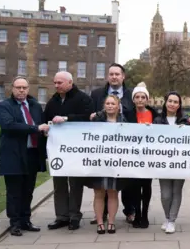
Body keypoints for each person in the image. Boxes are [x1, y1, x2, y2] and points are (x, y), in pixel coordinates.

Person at [0, 77, 50, 236]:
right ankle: (14, 223)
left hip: (32, 153)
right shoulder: (3, 106)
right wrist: (35, 128)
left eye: (24, 87)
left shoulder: (34, 106)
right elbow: (9, 125)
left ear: (28, 89)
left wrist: (44, 131)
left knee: (28, 189)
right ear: (12, 88)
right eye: (18, 87)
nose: (21, 90)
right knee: (14, 190)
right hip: (13, 154)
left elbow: (41, 125)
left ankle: (26, 220)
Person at [43, 71, 95, 231]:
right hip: (58, 149)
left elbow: (88, 119)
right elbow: (46, 118)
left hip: (76, 149)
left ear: (70, 82)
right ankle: (61, 216)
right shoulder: (53, 101)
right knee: (59, 183)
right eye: (55, 83)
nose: (56, 85)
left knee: (75, 183)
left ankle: (74, 216)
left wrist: (67, 119)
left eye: (60, 82)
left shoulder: (83, 99)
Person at [89, 63, 136, 226]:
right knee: (103, 185)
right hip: (102, 149)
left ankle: (129, 210)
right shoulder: (96, 95)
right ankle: (102, 215)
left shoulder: (132, 95)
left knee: (124, 184)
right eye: (111, 74)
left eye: (117, 74)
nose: (114, 77)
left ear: (123, 76)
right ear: (107, 76)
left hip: (125, 148)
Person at [153, 91, 190, 234]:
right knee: (165, 194)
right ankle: (167, 217)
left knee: (176, 191)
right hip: (163, 163)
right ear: (165, 102)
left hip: (180, 162)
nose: (172, 104)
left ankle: (171, 220)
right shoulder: (157, 120)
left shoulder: (186, 120)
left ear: (179, 105)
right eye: (170, 101)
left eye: (176, 102)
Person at [90, 95, 127, 234]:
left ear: (118, 106)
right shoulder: (96, 119)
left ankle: (111, 222)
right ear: (104, 105)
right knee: (99, 192)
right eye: (108, 103)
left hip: (116, 162)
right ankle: (100, 222)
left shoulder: (124, 121)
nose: (110, 106)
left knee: (113, 192)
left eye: (113, 103)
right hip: (99, 161)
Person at [131, 82, 159, 228]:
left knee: (146, 187)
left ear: (147, 99)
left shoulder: (153, 115)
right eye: (137, 97)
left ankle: (145, 215)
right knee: (135, 188)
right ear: (133, 99)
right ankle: (137, 214)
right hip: (133, 157)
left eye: (143, 97)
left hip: (148, 157)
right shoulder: (129, 115)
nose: (140, 99)